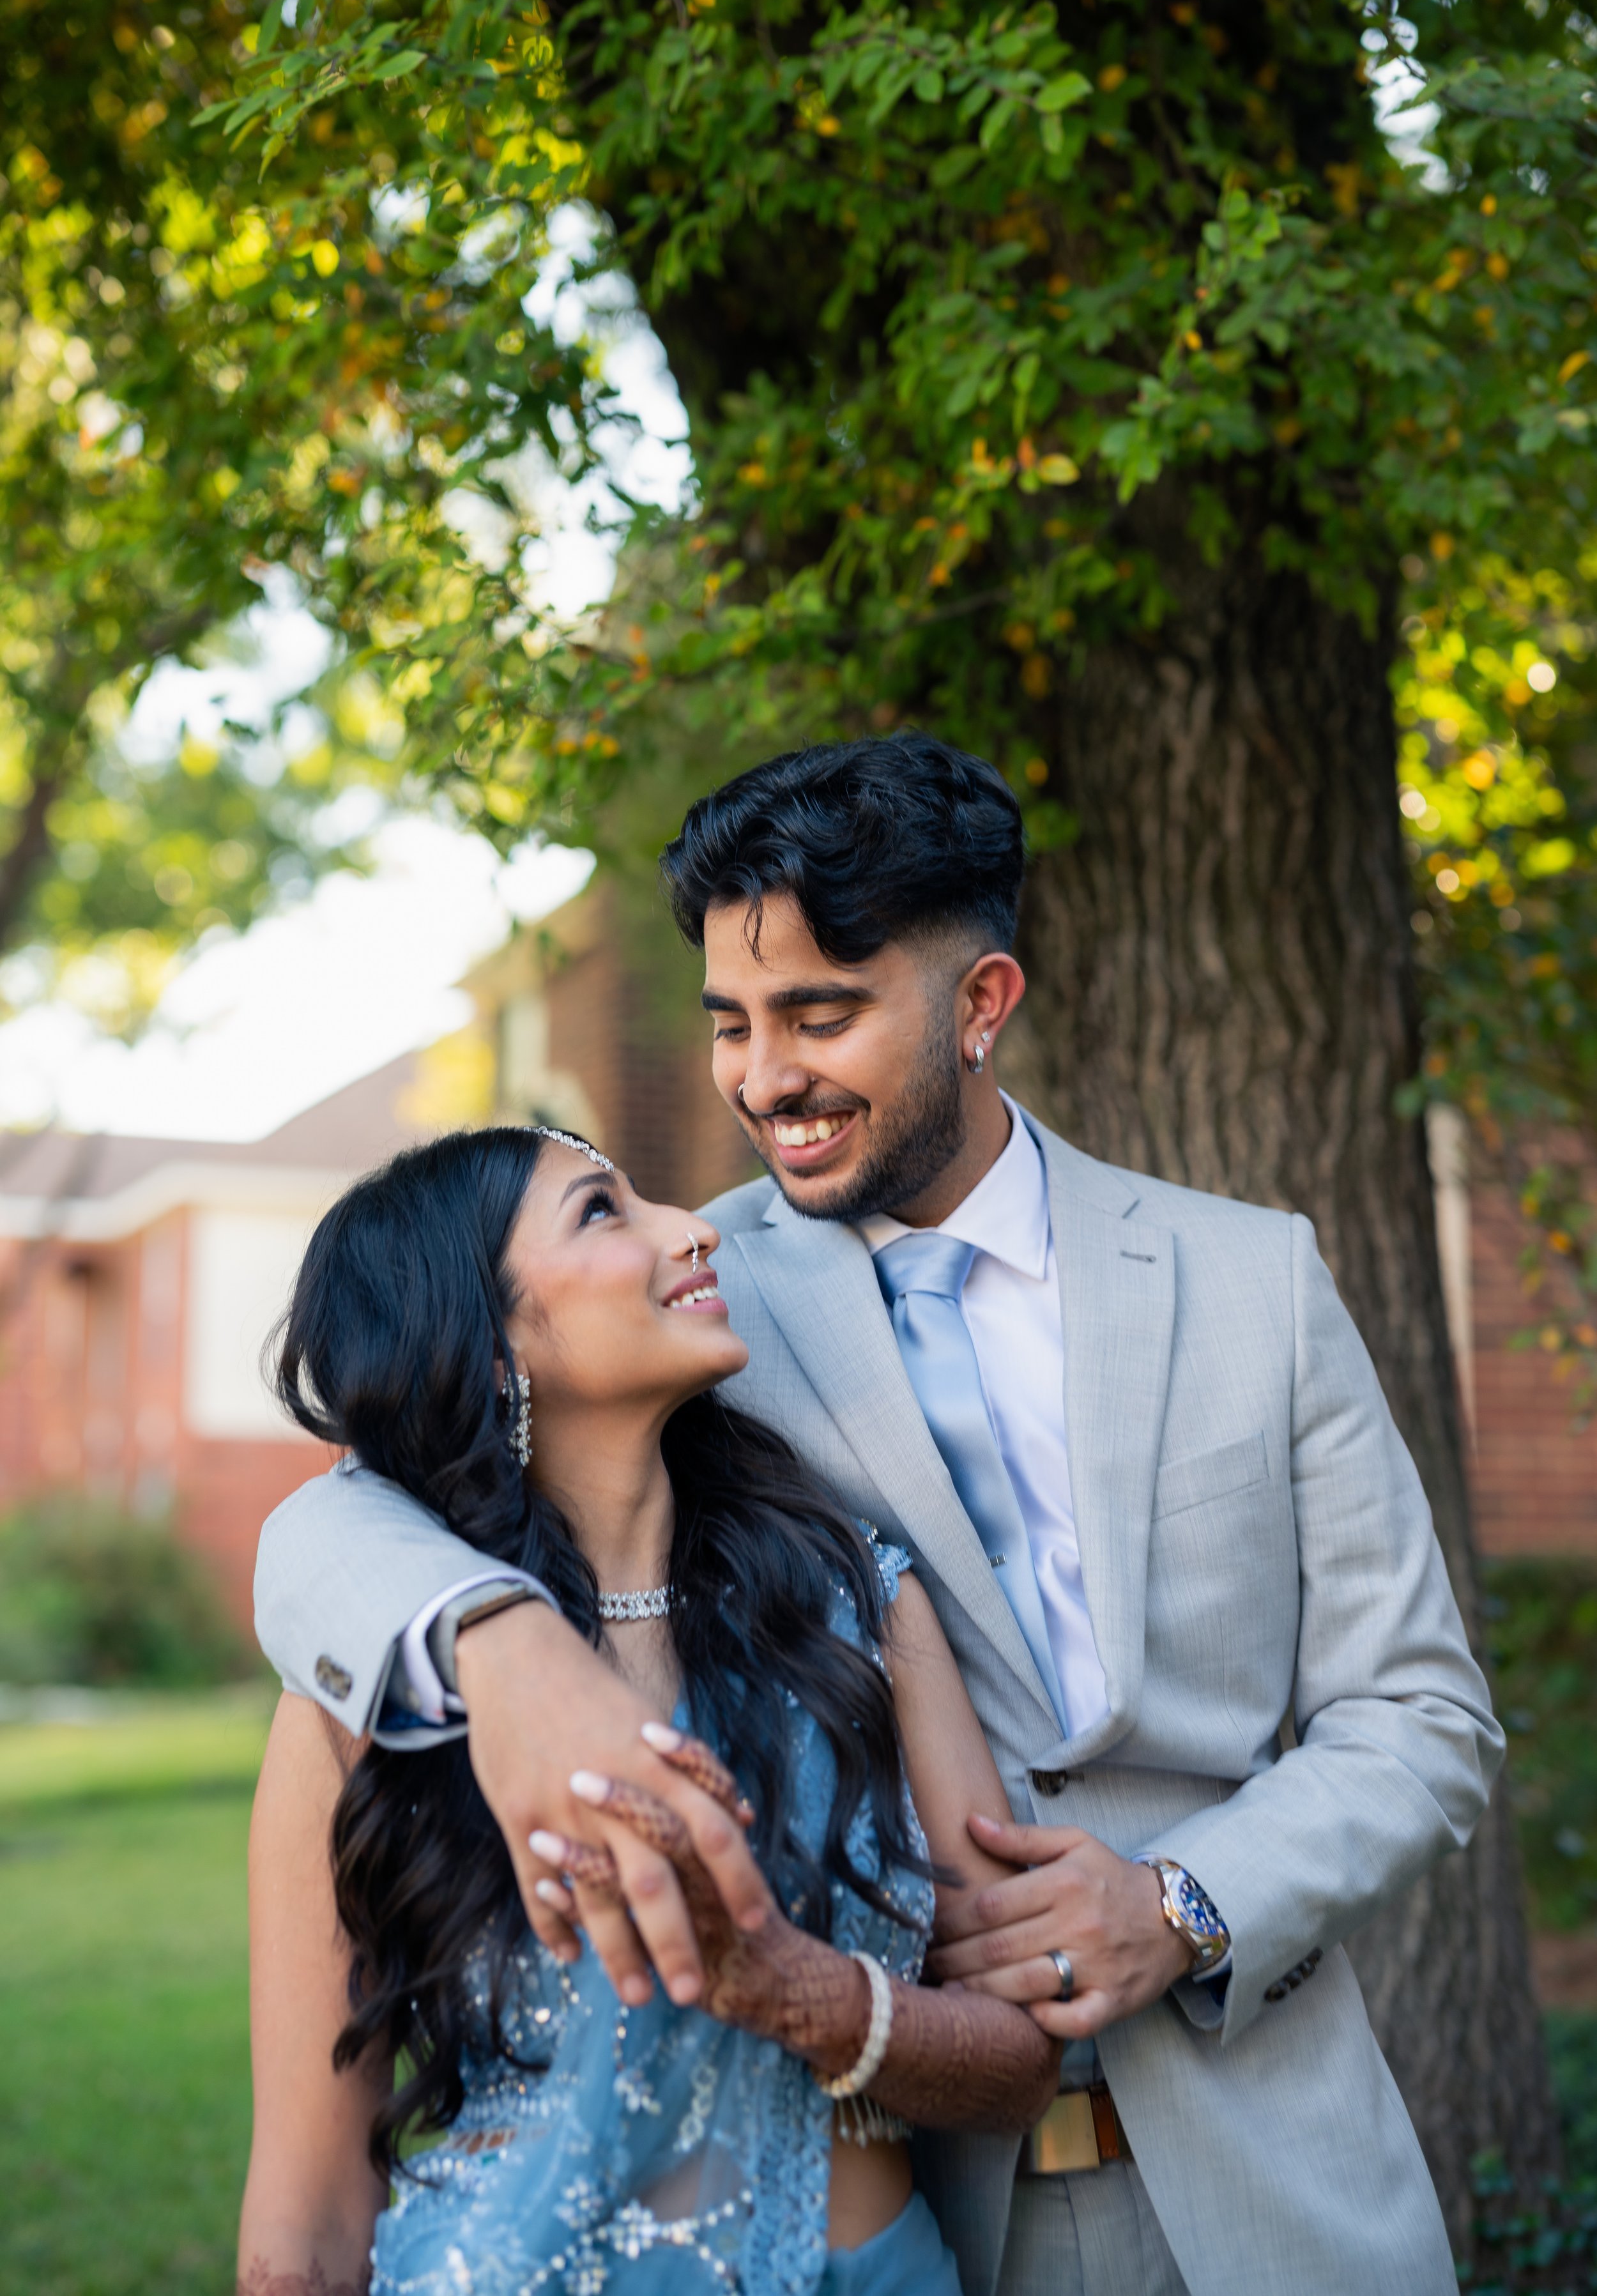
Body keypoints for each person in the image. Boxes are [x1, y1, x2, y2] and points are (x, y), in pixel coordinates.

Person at [256, 734, 1504, 2296]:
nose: (763, 1079)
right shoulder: (683, 1296)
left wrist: (1183, 1907)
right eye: (730, 1024)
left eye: (820, 1014)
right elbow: (334, 1525)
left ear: (980, 1005)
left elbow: (1421, 1714)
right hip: (935, 2206)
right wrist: (500, 1648)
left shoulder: (1252, 1281)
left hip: (1274, 2181)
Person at [240, 1122, 1067, 2296]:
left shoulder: (860, 1606)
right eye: (600, 1211)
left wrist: (802, 1990)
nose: (691, 1228)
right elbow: (308, 2205)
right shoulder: (380, 1694)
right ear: (489, 1349)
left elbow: (1023, 2061)